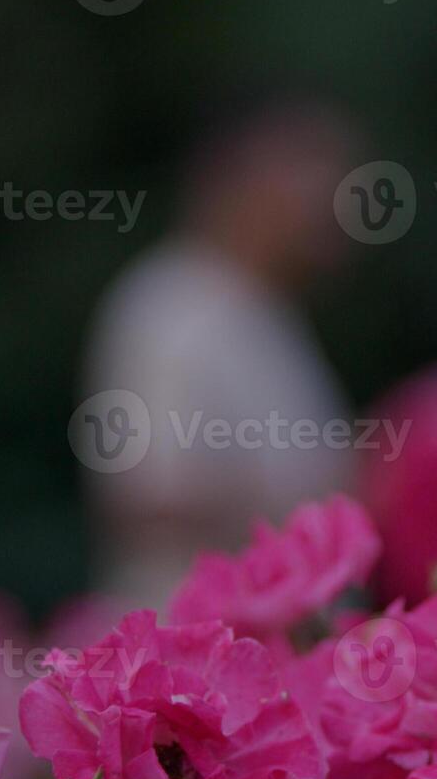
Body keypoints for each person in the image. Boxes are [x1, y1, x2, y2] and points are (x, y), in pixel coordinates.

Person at [81, 100, 359, 611]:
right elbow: (148, 496)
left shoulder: (266, 314)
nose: (333, 199)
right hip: (186, 652)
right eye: (310, 169)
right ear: (237, 177)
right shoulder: (170, 307)